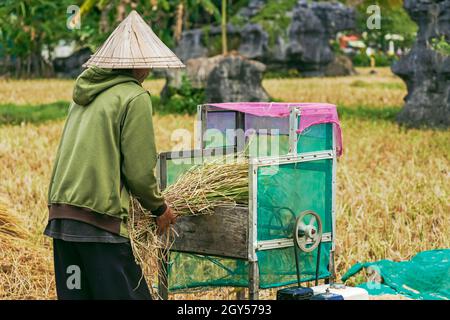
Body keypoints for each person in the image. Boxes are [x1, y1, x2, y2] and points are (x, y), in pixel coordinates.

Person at [44, 11, 184, 300]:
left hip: (62, 219)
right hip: (99, 221)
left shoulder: (83, 95)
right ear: (136, 63)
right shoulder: (134, 97)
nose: (149, 68)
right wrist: (159, 209)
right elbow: (139, 171)